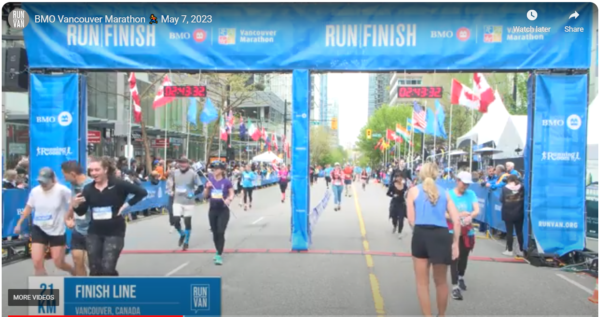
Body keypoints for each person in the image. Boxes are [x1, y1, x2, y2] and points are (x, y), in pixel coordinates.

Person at [72, 156, 147, 276]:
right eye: (91, 170)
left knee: (108, 268)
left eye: (97, 170)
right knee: (95, 269)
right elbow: (81, 211)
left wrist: (126, 205)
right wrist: (75, 205)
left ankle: (111, 290)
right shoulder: (88, 189)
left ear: (105, 170)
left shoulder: (118, 184)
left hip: (114, 231)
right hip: (94, 232)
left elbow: (142, 192)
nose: (93, 173)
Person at [406, 162, 460, 317]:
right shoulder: (445, 193)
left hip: (422, 233)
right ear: (437, 174)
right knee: (441, 281)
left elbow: (411, 219)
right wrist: (455, 244)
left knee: (422, 283)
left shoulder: (413, 191)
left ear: (420, 174)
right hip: (442, 236)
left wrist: (419, 233)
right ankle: (441, 315)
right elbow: (456, 221)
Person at [14, 168, 75, 276]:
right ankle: (44, 288)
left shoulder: (62, 190)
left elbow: (73, 204)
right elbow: (28, 207)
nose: (43, 184)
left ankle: (73, 271)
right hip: (39, 228)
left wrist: (70, 218)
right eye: (40, 181)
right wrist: (19, 223)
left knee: (58, 262)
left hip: (57, 230)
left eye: (45, 182)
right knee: (37, 262)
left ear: (52, 179)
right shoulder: (35, 191)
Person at [447, 171, 480, 301]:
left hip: (467, 230)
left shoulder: (471, 194)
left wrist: (470, 216)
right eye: (463, 183)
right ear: (457, 180)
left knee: (464, 256)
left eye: (467, 184)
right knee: (454, 256)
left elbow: (476, 210)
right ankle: (455, 287)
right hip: (452, 230)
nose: (465, 187)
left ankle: (461, 276)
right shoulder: (449, 195)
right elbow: (443, 213)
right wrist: (457, 216)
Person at [62, 161, 94, 276]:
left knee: (91, 264)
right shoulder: (73, 185)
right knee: (76, 260)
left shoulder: (92, 185)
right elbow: (73, 203)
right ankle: (82, 289)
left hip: (93, 230)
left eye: (64, 174)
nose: (63, 177)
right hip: (79, 229)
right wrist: (68, 216)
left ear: (72, 174)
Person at [167, 156, 202, 251]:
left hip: (189, 202)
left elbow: (200, 187)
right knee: (175, 220)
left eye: (184, 163)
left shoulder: (193, 174)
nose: (182, 164)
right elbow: (169, 184)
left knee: (187, 222)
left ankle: (186, 242)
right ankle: (182, 234)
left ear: (188, 164)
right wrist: (170, 191)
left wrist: (193, 193)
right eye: (180, 163)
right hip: (177, 200)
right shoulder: (174, 173)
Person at [204, 161, 234, 265]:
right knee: (215, 232)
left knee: (221, 231)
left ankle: (219, 254)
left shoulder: (226, 182)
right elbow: (205, 196)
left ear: (221, 170)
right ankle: (218, 249)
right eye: (213, 169)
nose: (214, 171)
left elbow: (231, 193)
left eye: (216, 169)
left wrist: (229, 199)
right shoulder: (210, 181)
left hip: (223, 210)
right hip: (212, 210)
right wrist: (207, 188)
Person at [499, 174, 525, 257]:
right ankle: (520, 250)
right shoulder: (521, 187)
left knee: (509, 232)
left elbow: (501, 199)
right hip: (519, 212)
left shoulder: (505, 188)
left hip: (508, 212)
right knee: (519, 232)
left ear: (509, 180)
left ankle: (509, 250)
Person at [387, 172, 408, 238]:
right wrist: (393, 195)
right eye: (398, 177)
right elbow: (388, 193)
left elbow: (407, 192)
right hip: (394, 204)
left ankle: (400, 232)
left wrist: (407, 195)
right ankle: (395, 225)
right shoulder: (392, 185)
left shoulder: (404, 185)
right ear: (395, 178)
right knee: (394, 218)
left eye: (400, 177)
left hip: (401, 203)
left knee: (401, 219)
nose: (399, 178)